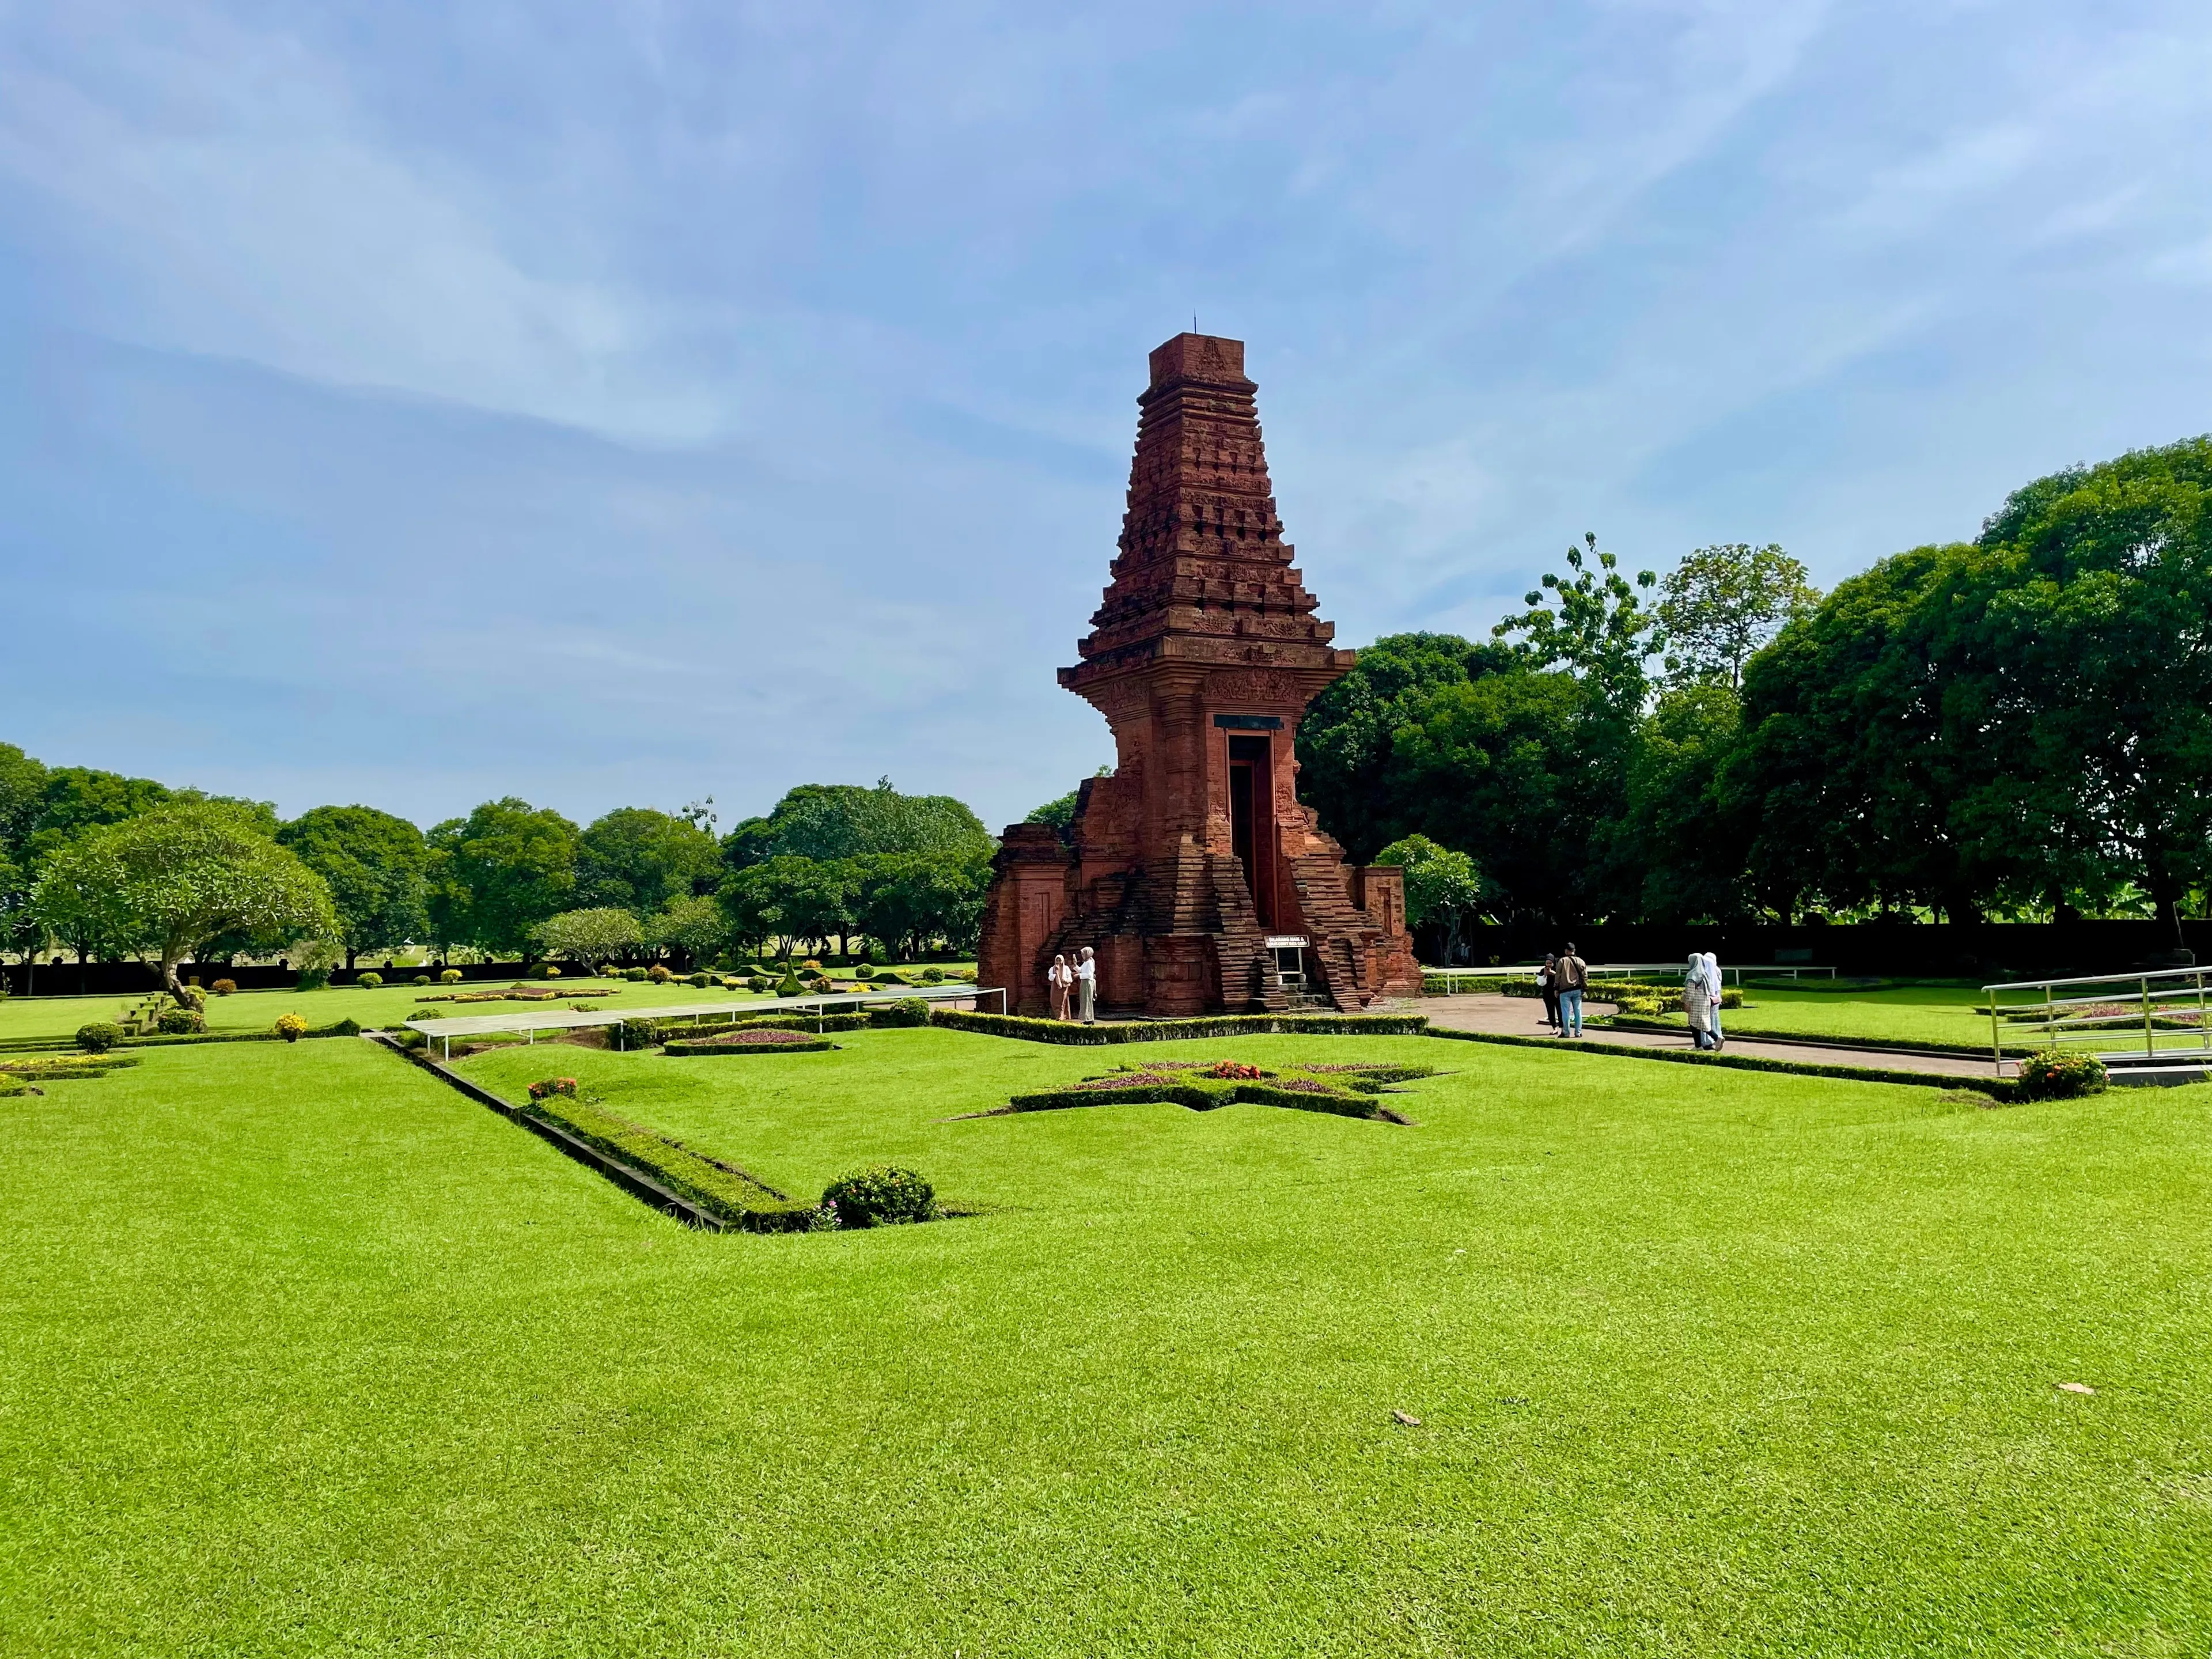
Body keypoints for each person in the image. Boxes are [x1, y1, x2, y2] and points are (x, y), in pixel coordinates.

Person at [1684, 951, 1715, 1050]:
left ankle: (1716, 1038)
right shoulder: (1705, 974)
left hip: (1696, 1004)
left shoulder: (1693, 975)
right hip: (1705, 1002)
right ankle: (1698, 1046)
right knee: (1699, 1024)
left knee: (1696, 1024)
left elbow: (1690, 992)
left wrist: (1687, 1003)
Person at [1555, 944, 1586, 1037]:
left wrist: (1556, 988)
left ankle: (1566, 1032)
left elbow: (1558, 976)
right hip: (1577, 989)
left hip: (1565, 990)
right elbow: (1585, 976)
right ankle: (1578, 1032)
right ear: (1574, 950)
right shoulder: (1581, 961)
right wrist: (1585, 988)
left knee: (1565, 1012)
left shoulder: (1562, 961)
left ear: (1566, 951)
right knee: (1578, 1012)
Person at [1702, 952, 1725, 1050]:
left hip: (1709, 998)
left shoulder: (1706, 971)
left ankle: (1710, 1039)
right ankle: (1717, 1035)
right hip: (1716, 997)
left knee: (1707, 1020)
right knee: (1715, 1018)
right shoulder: (1717, 970)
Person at [1537, 953, 1560, 1031]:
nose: (1549, 965)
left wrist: (1553, 973)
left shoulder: (1558, 969)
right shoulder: (1543, 971)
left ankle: (1563, 1028)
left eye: (1550, 963)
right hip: (1548, 994)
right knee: (1550, 1012)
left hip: (1558, 994)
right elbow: (1540, 983)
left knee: (1560, 1012)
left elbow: (1562, 979)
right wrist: (1545, 975)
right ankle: (1554, 1028)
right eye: (1547, 963)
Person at [1047, 953, 1073, 1021]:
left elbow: (1070, 979)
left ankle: (1061, 1017)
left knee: (1062, 1002)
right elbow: (1050, 978)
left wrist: (1065, 980)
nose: (1058, 963)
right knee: (1054, 1002)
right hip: (1055, 988)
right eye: (1057, 961)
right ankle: (1057, 1015)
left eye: (1060, 961)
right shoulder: (1053, 969)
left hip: (1063, 988)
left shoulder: (1066, 968)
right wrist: (1056, 973)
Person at [1075, 945, 1097, 1025]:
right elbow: (1081, 970)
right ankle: (1086, 1018)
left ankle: (1090, 1019)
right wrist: (1075, 965)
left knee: (1088, 1000)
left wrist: (1079, 976)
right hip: (1084, 982)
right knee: (1084, 1000)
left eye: (1083, 954)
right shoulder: (1086, 962)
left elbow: (1089, 975)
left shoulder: (1090, 963)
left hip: (1088, 982)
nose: (1082, 956)